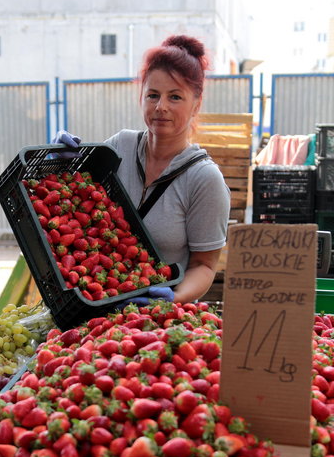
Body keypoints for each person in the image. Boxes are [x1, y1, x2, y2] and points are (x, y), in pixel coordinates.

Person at [56, 34, 230, 304]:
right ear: (141, 97)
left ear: (196, 103)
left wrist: (172, 298)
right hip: (97, 300)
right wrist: (62, 161)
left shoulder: (203, 179)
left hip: (156, 324)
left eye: (175, 97)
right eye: (153, 95)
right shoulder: (120, 147)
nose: (161, 107)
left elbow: (204, 266)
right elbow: (75, 200)